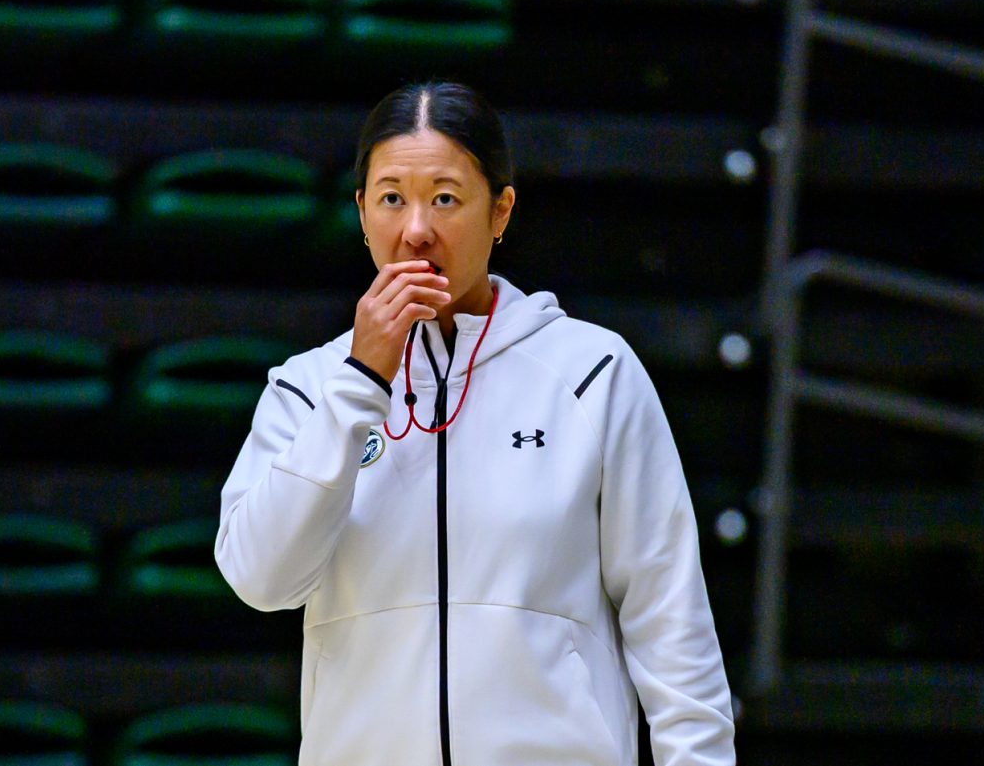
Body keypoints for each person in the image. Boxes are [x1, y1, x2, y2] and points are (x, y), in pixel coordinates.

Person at [216, 81, 735, 766]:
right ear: (362, 212)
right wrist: (361, 382)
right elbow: (260, 578)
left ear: (501, 211)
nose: (417, 228)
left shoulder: (592, 373)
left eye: (446, 197)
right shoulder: (308, 387)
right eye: (392, 197)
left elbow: (670, 617)